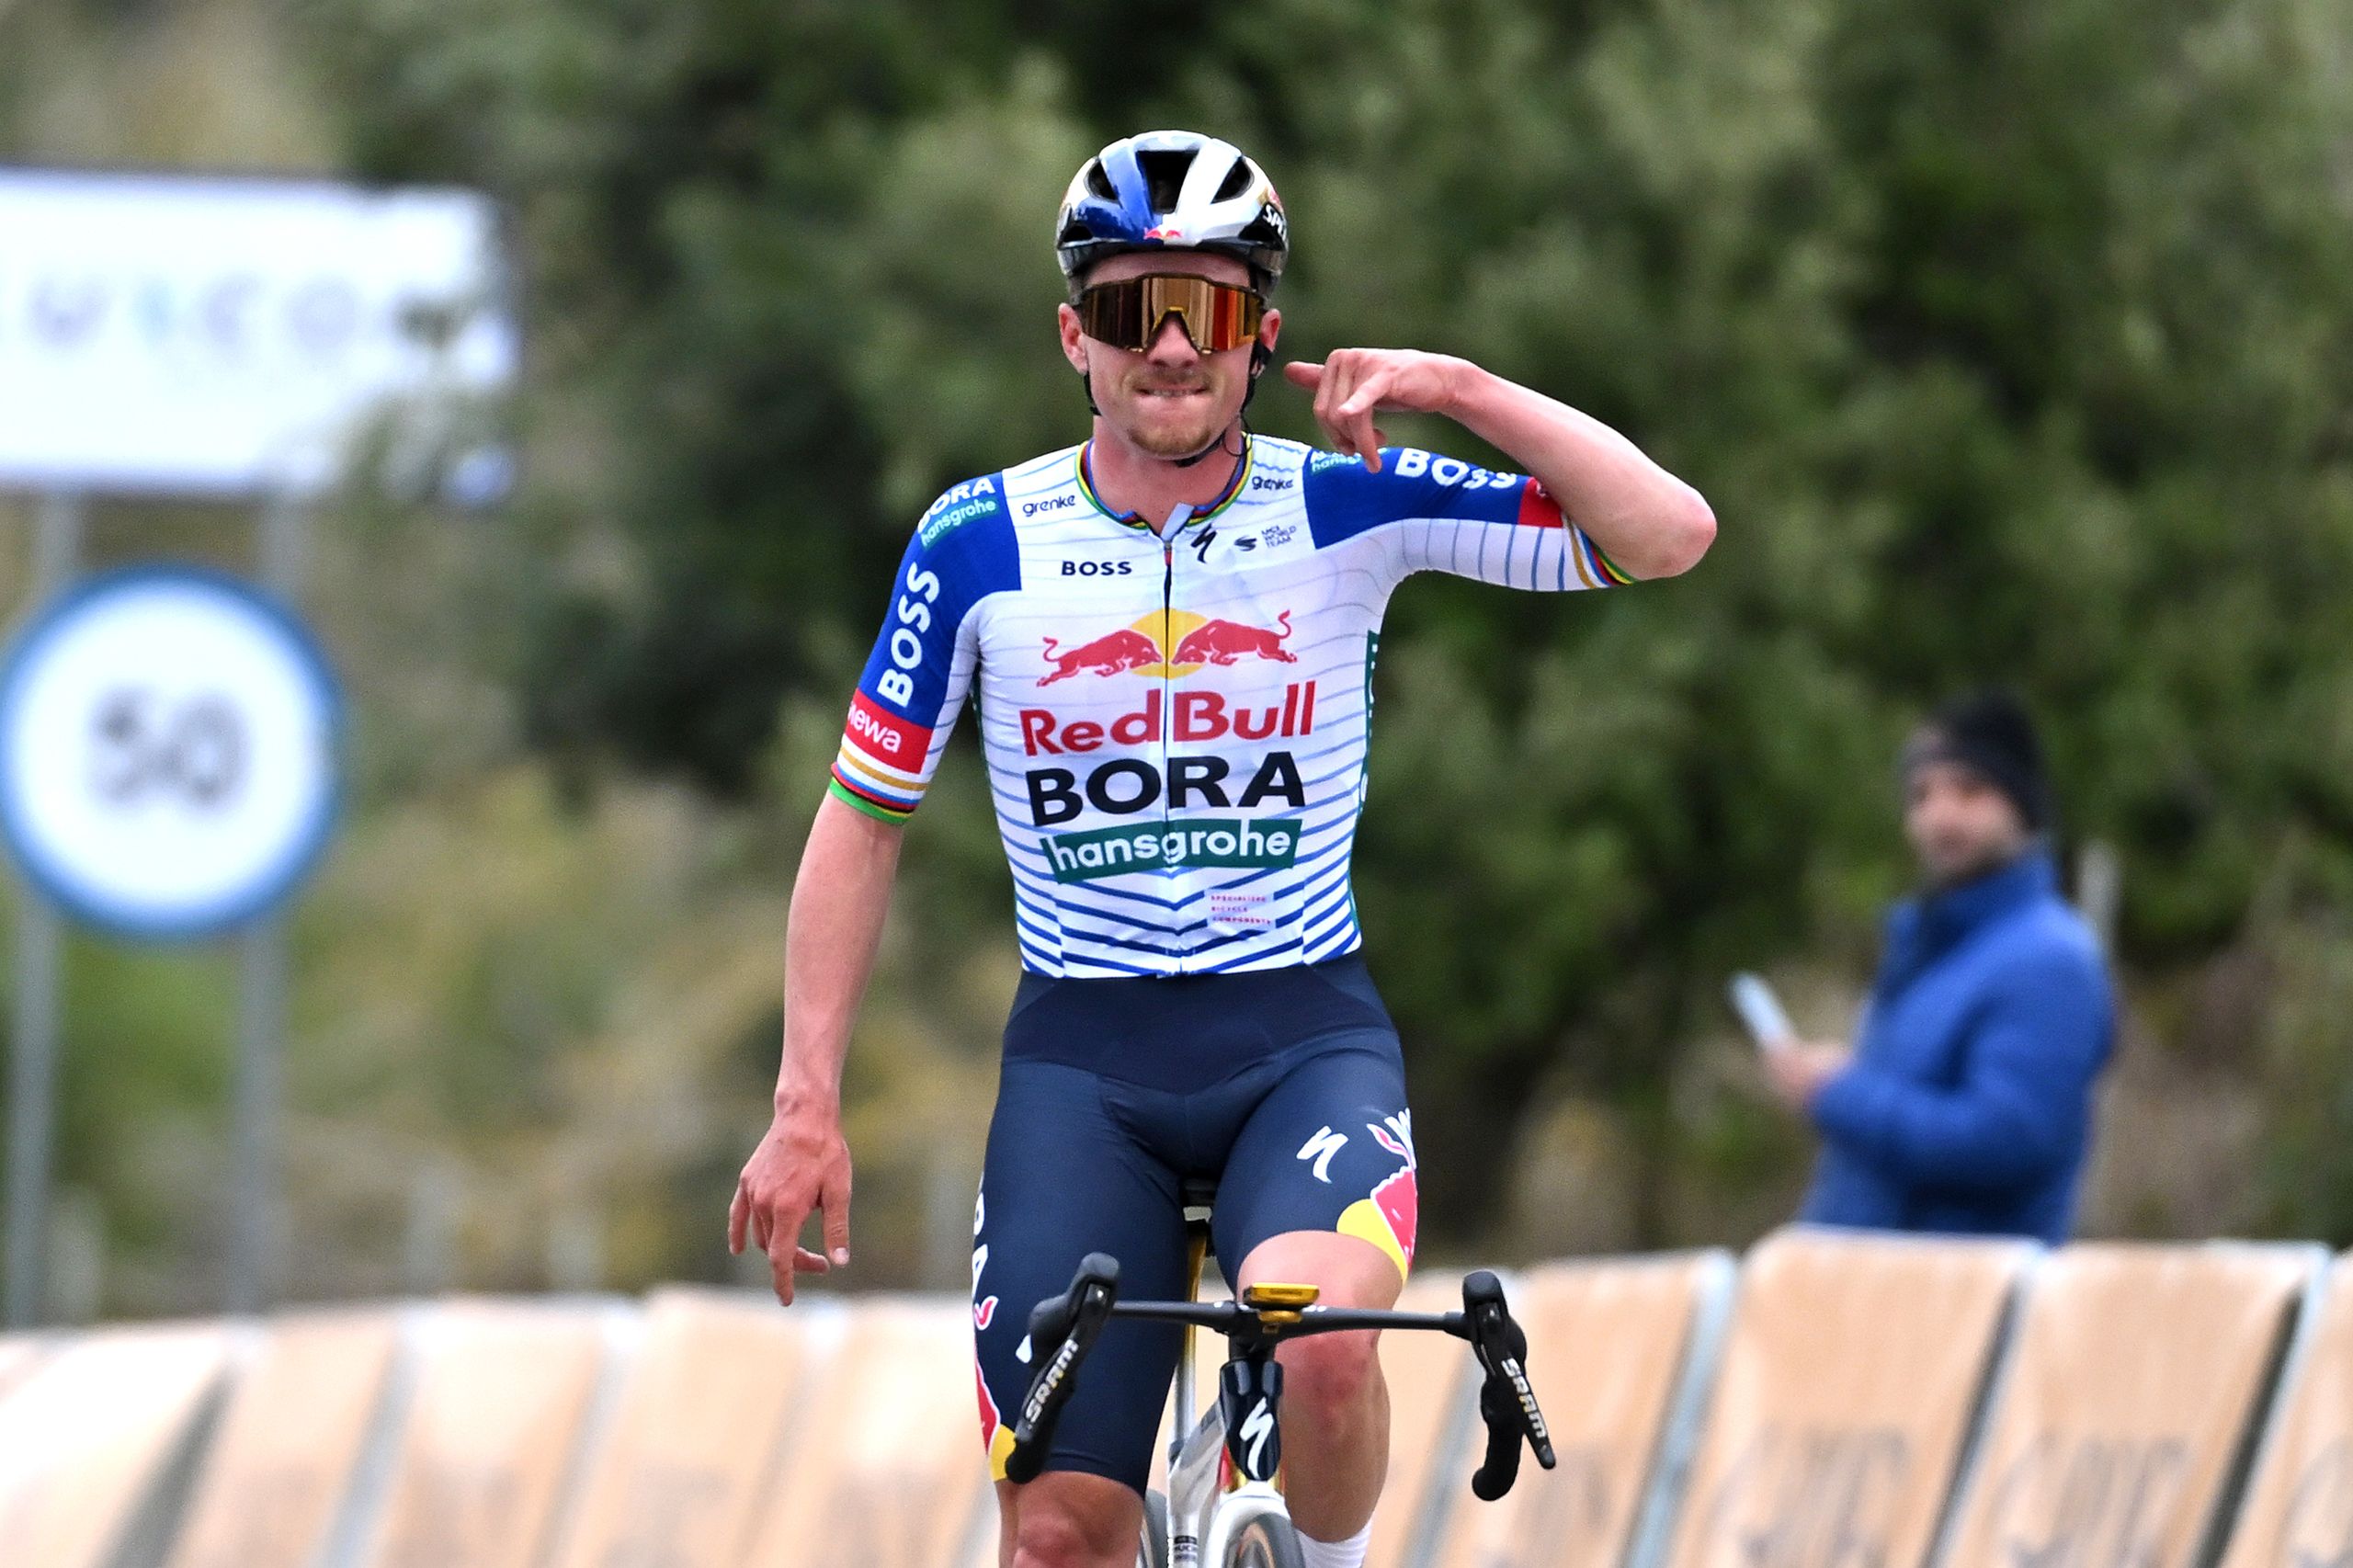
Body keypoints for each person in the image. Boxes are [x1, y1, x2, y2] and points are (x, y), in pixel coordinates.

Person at [728, 130, 1713, 1568]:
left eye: (1213, 308)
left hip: (1297, 1037)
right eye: (1134, 308)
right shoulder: (976, 540)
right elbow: (865, 817)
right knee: (1058, 1538)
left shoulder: (1344, 503)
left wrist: (1457, 388)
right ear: (1074, 336)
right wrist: (806, 1099)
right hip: (1085, 1065)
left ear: (1263, 334)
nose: (1175, 346)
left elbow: (1667, 533)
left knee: (1325, 1350)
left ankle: (1322, 1555)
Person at [1767, 689, 2115, 1244]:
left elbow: (2004, 1141)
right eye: (1921, 795)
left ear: (2023, 807)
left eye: (1969, 791)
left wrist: (1840, 1094)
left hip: (1966, 1292)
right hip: (1866, 1282)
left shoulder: (2051, 960)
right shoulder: (1925, 948)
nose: (1939, 816)